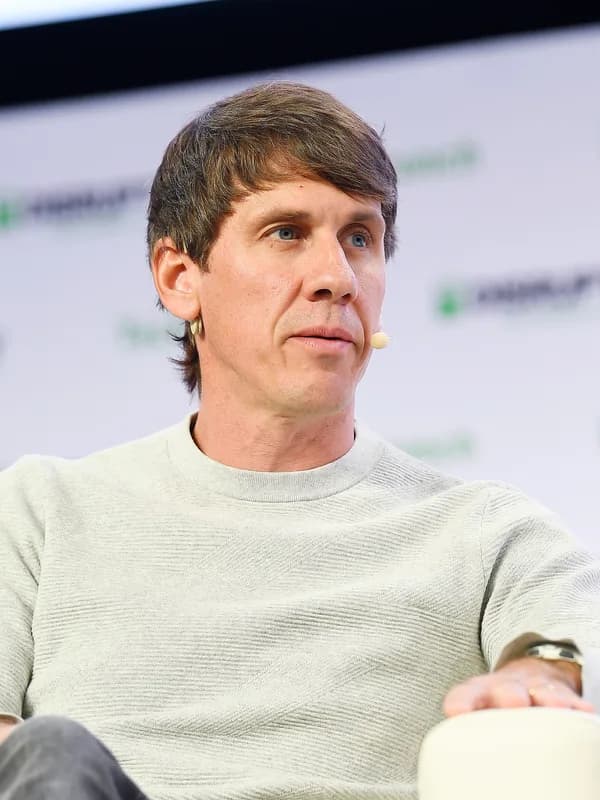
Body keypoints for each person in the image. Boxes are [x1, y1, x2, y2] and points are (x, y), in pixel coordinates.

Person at [0, 81, 599, 800]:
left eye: (360, 238)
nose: (336, 278)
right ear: (180, 278)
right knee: (53, 755)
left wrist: (544, 671)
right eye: (286, 233)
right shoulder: (41, 511)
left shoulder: (486, 534)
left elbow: (567, 644)